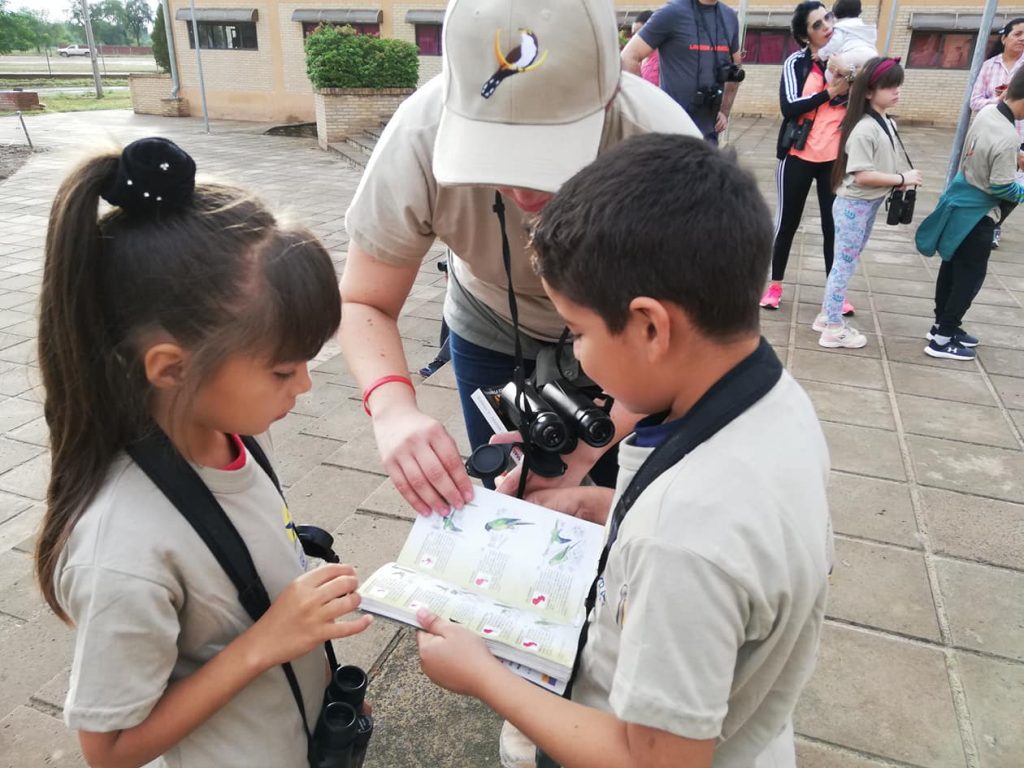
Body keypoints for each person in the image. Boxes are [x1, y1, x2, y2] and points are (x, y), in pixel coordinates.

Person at [416, 134, 832, 768]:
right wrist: (611, 508)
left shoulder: (682, 543)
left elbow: (656, 760)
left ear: (649, 326)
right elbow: (743, 557)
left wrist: (484, 677)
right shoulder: (776, 401)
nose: (576, 354)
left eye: (578, 332)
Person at [34, 137, 373, 768]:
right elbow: (107, 750)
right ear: (170, 368)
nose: (304, 386)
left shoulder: (230, 433)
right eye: (281, 371)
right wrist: (266, 643)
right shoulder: (122, 550)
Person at [341, 0, 699, 517]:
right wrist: (392, 410)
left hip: (632, 336)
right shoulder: (420, 136)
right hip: (490, 319)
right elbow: (363, 300)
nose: (522, 189)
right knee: (513, 499)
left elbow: (687, 332)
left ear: (608, 93)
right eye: (492, 152)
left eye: (551, 153)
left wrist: (593, 449)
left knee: (620, 500)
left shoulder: (661, 144)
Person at [917, 68, 1024, 360]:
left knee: (951, 267)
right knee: (970, 277)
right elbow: (1002, 187)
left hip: (958, 202)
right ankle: (942, 338)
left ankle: (942, 324)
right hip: (977, 216)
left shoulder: (988, 113)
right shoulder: (1008, 137)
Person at [814, 58, 922, 349]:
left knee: (845, 263)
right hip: (855, 205)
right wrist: (901, 178)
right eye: (889, 87)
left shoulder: (882, 120)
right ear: (869, 92)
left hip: (866, 204)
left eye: (897, 85)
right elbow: (862, 176)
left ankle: (827, 317)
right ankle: (833, 327)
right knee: (844, 265)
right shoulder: (865, 128)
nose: (896, 92)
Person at [759, 2, 851, 313]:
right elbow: (789, 106)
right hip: (798, 154)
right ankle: (774, 285)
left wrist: (851, 76)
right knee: (787, 221)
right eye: (816, 24)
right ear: (804, 35)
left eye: (828, 18)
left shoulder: (851, 58)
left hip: (833, 160)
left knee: (834, 226)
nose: (826, 26)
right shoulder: (795, 64)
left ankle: (834, 291)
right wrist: (829, 91)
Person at [620, 0, 743, 144]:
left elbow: (736, 66)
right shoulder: (671, 13)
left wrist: (724, 111)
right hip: (671, 136)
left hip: (709, 136)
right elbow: (628, 57)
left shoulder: (729, 17)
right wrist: (647, 111)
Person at [970, 17, 1024, 248]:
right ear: (1004, 37)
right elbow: (974, 101)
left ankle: (995, 223)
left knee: (1014, 186)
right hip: (991, 134)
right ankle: (984, 221)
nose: (1022, 40)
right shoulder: (989, 65)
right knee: (989, 182)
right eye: (1018, 34)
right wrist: (1000, 102)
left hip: (1020, 138)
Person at [817, 0, 878, 89]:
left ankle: (836, 88)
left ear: (835, 14)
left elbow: (834, 44)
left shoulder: (840, 27)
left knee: (829, 71)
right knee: (865, 76)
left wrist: (820, 54)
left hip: (852, 53)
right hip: (872, 55)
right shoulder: (863, 26)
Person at [630, 10, 660, 87]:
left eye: (639, 34)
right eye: (633, 34)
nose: (634, 39)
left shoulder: (662, 59)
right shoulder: (641, 58)